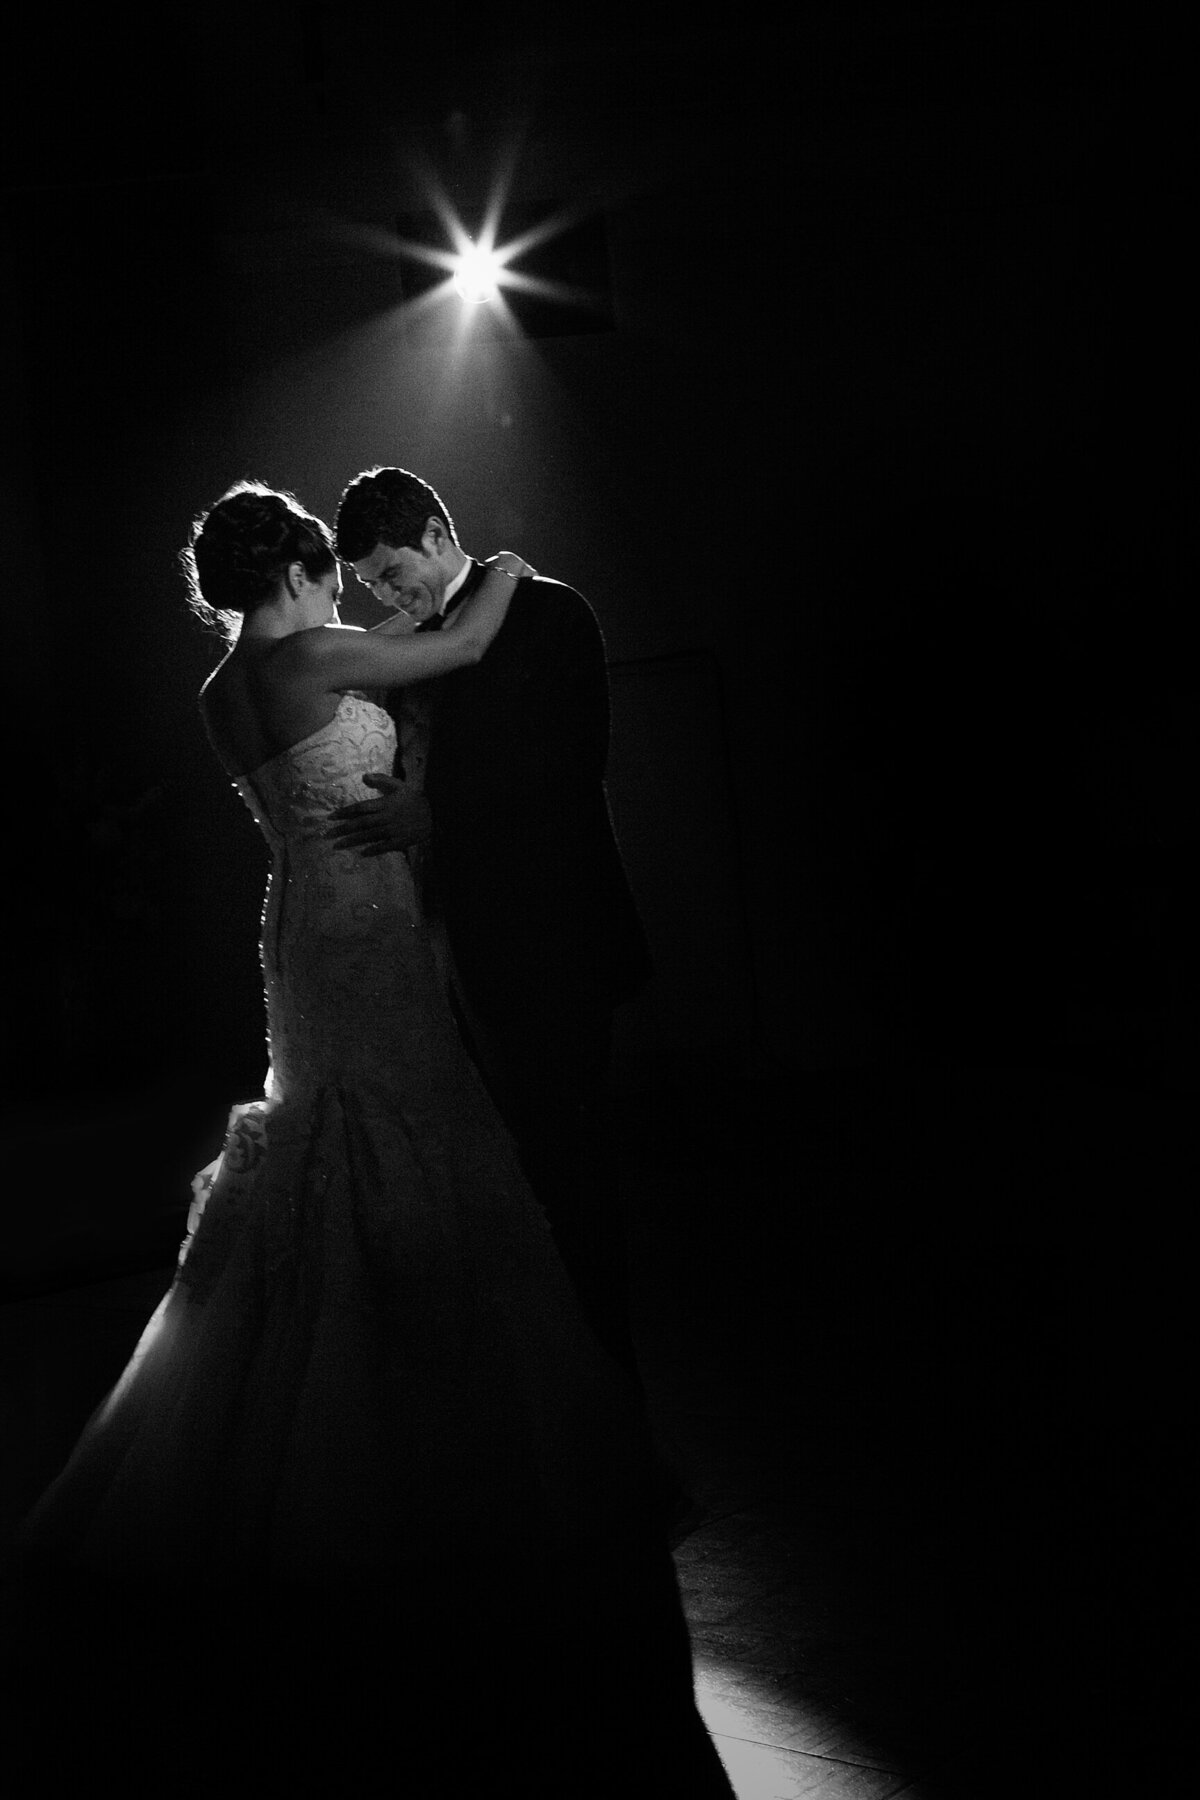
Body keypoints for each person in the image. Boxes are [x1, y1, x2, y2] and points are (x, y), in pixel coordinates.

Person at [2, 481, 733, 1797]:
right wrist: (499, 568)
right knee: (401, 1146)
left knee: (337, 1145)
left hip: (308, 927)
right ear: (292, 573)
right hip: (366, 929)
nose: (349, 589)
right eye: (335, 571)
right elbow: (450, 648)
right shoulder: (320, 654)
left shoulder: (225, 691)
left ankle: (345, 1406)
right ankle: (438, 1451)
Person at [329, 467, 654, 1397]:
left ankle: (610, 1394)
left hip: (556, 946)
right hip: (454, 950)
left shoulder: (552, 614)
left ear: (436, 533)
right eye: (375, 587)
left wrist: (439, 817)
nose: (390, 597)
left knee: (575, 1180)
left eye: (394, 572)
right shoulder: (413, 647)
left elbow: (572, 766)